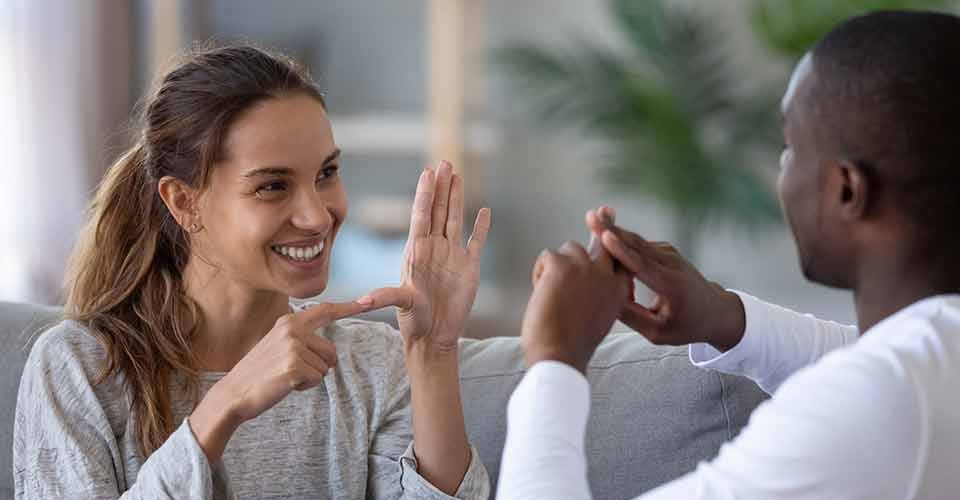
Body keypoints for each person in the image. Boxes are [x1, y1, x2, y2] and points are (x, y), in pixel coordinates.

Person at [497, 10, 960, 499]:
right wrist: (724, 317)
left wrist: (554, 359)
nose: (783, 171)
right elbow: (876, 357)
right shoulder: (927, 365)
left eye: (790, 148)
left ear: (847, 190)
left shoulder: (870, 406)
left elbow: (877, 384)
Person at [13, 45, 492, 499]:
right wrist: (228, 402)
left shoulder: (369, 364)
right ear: (184, 201)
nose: (318, 216)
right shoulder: (81, 367)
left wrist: (432, 355)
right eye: (272, 186)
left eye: (326, 174)